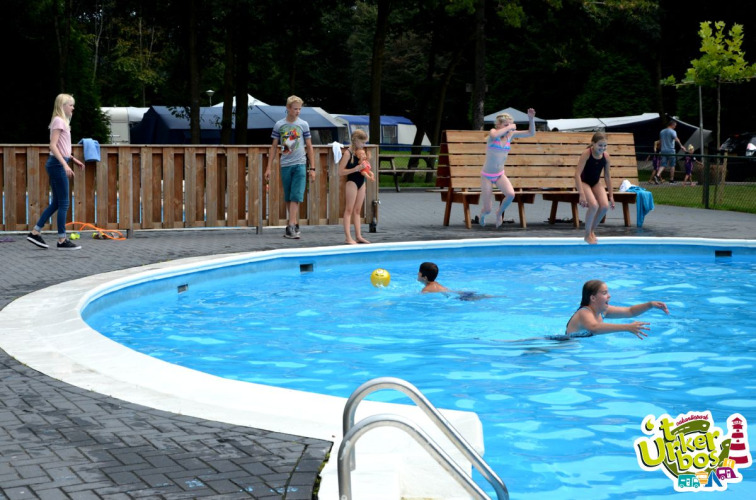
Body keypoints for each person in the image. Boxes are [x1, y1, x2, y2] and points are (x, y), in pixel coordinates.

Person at [27, 94, 85, 250]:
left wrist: (72, 159)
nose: (73, 108)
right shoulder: (59, 121)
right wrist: (65, 165)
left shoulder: (61, 121)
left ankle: (35, 232)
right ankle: (61, 240)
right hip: (57, 165)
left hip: (58, 163)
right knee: (64, 203)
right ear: (63, 106)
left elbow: (62, 146)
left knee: (57, 203)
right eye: (71, 105)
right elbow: (52, 145)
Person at [264, 95, 316, 240]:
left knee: (296, 195)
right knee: (288, 196)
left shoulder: (303, 124)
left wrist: (312, 168)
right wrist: (268, 167)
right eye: (295, 109)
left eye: (300, 109)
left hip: (300, 163)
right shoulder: (279, 125)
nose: (298, 111)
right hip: (285, 164)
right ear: (288, 108)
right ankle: (294, 223)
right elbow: (274, 146)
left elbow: (309, 146)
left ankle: (291, 226)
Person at [479, 108, 536, 228]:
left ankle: (499, 213)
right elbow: (495, 134)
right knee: (487, 209)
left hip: (499, 174)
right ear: (498, 125)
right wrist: (510, 126)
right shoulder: (493, 133)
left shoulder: (510, 135)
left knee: (511, 194)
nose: (509, 128)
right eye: (506, 125)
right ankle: (482, 215)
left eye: (510, 125)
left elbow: (531, 133)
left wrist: (531, 119)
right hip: (487, 176)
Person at [562, 280, 669, 340]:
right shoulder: (584, 312)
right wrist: (627, 327)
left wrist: (650, 305)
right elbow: (594, 328)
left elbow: (630, 311)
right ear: (593, 298)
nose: (609, 296)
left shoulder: (602, 311)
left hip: (579, 343)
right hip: (566, 343)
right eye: (604, 293)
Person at [575, 132, 614, 245]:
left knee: (604, 206)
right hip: (584, 182)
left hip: (596, 183)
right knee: (593, 205)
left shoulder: (606, 156)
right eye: (600, 145)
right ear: (593, 143)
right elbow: (577, 174)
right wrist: (581, 194)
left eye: (605, 146)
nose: (602, 148)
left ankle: (591, 231)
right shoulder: (587, 154)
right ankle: (587, 235)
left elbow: (607, 176)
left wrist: (611, 196)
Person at [338, 130, 372, 244]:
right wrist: (356, 169)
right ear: (356, 141)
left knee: (357, 210)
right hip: (352, 182)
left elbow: (364, 167)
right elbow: (340, 172)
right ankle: (348, 237)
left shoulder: (361, 151)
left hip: (361, 182)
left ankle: (358, 236)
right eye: (362, 142)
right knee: (349, 210)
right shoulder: (348, 153)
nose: (364, 145)